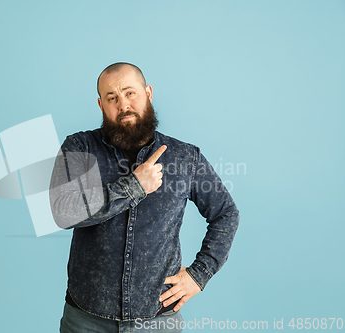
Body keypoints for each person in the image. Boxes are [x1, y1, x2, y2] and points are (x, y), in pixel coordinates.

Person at [49, 62, 240, 333]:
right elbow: (63, 212)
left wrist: (199, 275)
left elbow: (226, 214)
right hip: (85, 320)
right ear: (101, 105)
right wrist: (134, 187)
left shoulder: (185, 157)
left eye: (130, 93)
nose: (123, 104)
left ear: (148, 93)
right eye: (112, 98)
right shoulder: (80, 148)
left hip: (158, 322)